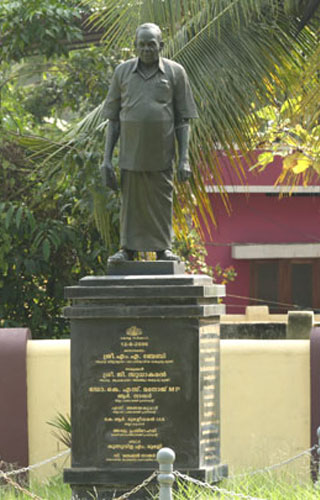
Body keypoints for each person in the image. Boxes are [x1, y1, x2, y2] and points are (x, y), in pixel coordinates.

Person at [101, 23, 198, 262]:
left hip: (162, 154)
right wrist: (106, 160)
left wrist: (184, 158)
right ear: (135, 46)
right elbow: (112, 120)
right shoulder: (122, 72)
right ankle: (127, 249)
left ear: (161, 46)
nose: (146, 49)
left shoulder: (175, 72)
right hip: (130, 153)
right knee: (130, 204)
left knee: (162, 202)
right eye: (142, 44)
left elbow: (183, 120)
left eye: (151, 45)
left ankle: (162, 248)